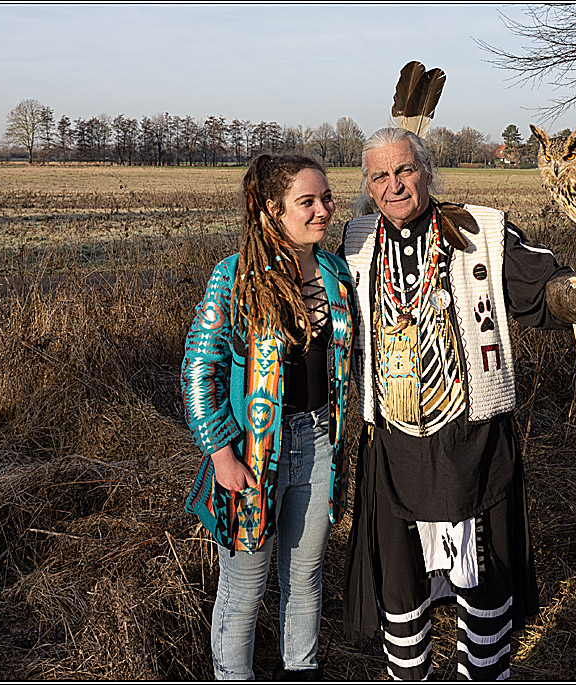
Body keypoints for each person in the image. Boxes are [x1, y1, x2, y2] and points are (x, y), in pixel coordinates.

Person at [339, 127, 576, 680]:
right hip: (394, 444)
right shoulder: (353, 243)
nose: (394, 185)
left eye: (405, 170)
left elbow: (540, 286)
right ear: (369, 185)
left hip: (472, 439)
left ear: (427, 171)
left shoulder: (481, 231)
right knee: (400, 586)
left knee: (486, 577)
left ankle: (486, 673)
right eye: (380, 175)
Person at [182, 154, 355, 680]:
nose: (323, 210)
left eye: (326, 198)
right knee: (244, 588)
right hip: (253, 455)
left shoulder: (335, 272)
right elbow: (198, 370)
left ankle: (301, 671)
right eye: (308, 202)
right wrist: (220, 454)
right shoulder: (233, 277)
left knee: (304, 579)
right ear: (270, 211)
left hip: (322, 443)